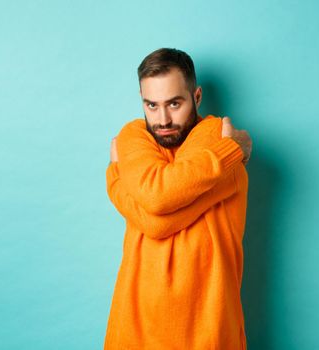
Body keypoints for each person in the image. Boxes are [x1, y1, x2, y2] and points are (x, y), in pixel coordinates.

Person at [104, 47, 252, 349]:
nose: (163, 119)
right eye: (152, 105)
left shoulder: (216, 135)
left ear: (196, 98)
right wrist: (116, 180)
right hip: (133, 330)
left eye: (174, 103)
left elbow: (155, 210)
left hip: (208, 333)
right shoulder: (134, 135)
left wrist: (116, 176)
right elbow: (160, 205)